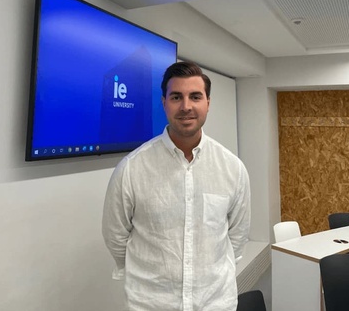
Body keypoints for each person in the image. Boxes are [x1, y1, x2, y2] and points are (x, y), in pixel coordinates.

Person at [102, 61, 251, 311]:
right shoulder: (132, 168)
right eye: (176, 97)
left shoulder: (232, 168)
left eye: (195, 96)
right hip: (151, 304)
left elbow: (237, 236)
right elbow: (115, 236)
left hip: (215, 303)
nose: (186, 107)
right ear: (164, 103)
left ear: (208, 103)